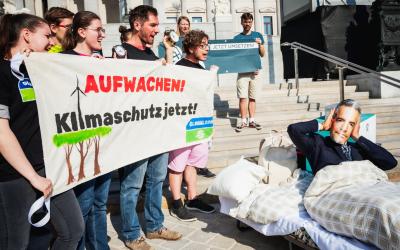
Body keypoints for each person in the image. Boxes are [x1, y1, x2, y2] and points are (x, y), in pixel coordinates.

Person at [0, 13, 84, 249]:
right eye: (46, 35)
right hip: (14, 176)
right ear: (26, 35)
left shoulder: (37, 70)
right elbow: (2, 134)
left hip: (48, 167)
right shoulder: (3, 73)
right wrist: (33, 177)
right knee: (15, 243)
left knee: (73, 230)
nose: (52, 42)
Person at [119, 5, 182, 250]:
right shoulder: (120, 52)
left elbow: (167, 80)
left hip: (158, 130)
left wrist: (166, 50)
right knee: (132, 185)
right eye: (153, 25)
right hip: (134, 133)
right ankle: (131, 233)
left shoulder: (151, 56)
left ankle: (155, 226)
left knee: (156, 180)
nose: (157, 30)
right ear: (137, 25)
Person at [61, 11, 111, 250]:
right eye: (97, 29)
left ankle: (100, 246)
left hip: (104, 144)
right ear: (81, 32)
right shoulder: (62, 61)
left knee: (100, 203)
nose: (102, 34)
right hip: (79, 147)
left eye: (102, 30)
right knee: (83, 203)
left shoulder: (101, 60)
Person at [168, 30, 216, 222]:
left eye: (207, 45)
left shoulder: (202, 70)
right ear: (190, 47)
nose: (206, 49)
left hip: (199, 126)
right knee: (177, 166)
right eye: (202, 45)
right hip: (182, 126)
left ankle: (192, 198)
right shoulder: (179, 68)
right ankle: (176, 203)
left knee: (193, 163)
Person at [287, 99, 397, 174]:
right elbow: (294, 130)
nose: (344, 128)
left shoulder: (358, 148)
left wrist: (357, 137)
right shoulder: (317, 144)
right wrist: (322, 125)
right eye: (340, 120)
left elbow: (390, 163)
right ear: (332, 120)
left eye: (351, 124)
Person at [234, 12, 265, 132]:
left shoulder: (258, 35)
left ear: (252, 22)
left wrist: (260, 44)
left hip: (255, 73)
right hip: (242, 73)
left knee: (253, 98)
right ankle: (243, 121)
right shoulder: (236, 39)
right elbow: (235, 57)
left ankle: (251, 120)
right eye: (245, 21)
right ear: (241, 22)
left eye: (249, 21)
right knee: (242, 98)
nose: (247, 23)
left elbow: (262, 54)